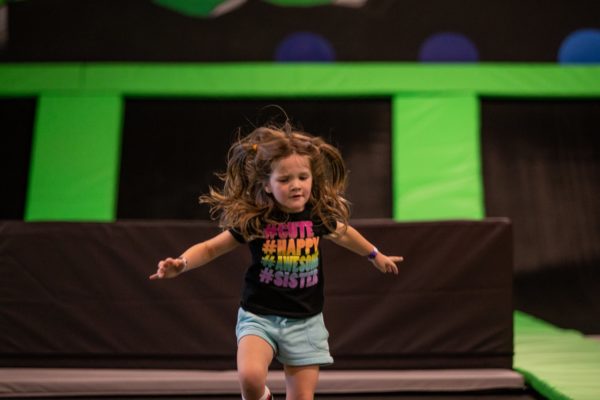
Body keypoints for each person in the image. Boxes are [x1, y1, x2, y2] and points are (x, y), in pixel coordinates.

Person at [150, 121, 403, 400]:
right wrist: (181, 263)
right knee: (250, 378)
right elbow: (211, 248)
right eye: (284, 180)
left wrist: (374, 255)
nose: (296, 186)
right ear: (267, 186)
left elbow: (345, 234)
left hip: (305, 320)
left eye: (303, 177)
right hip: (259, 316)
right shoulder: (257, 221)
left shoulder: (317, 217)